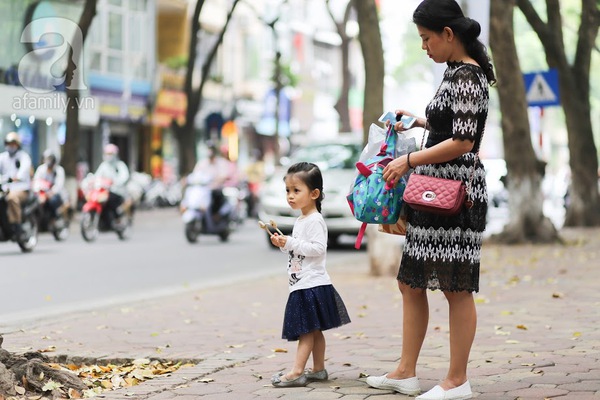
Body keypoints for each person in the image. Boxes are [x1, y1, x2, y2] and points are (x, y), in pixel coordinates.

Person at [367, 1, 496, 399]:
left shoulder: (468, 77)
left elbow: (463, 141)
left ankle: (457, 380)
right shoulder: (454, 73)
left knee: (456, 288)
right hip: (433, 194)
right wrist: (420, 121)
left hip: (457, 199)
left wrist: (407, 160)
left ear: (448, 34)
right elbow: (449, 127)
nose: (424, 47)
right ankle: (406, 371)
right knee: (411, 282)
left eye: (426, 39)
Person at [269, 162, 351, 388]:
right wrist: (284, 244)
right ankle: (318, 369)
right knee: (314, 331)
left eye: (296, 191)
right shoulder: (301, 219)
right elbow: (300, 249)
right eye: (287, 191)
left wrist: (292, 242)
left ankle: (297, 371)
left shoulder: (315, 220)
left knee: (306, 331)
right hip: (304, 282)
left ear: (314, 193)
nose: (290, 196)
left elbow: (317, 248)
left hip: (311, 284)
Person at [0, 132, 33, 239]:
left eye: (13, 144)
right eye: (9, 144)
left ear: (18, 145)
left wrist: (16, 177)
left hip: (21, 188)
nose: (11, 146)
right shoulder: (3, 157)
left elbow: (24, 170)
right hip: (5, 188)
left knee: (11, 198)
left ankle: (17, 226)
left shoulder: (23, 157)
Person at [95, 143, 130, 221]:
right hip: (105, 191)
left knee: (112, 201)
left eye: (110, 154)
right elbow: (97, 176)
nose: (108, 156)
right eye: (107, 153)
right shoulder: (104, 165)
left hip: (118, 192)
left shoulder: (120, 165)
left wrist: (115, 182)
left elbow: (124, 177)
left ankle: (117, 218)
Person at [33, 149, 67, 219]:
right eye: (47, 159)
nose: (48, 161)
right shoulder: (41, 169)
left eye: (50, 159)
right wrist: (39, 192)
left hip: (54, 195)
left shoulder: (59, 170)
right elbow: (36, 181)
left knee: (53, 201)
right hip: (42, 193)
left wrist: (49, 194)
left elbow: (58, 186)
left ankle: (53, 219)